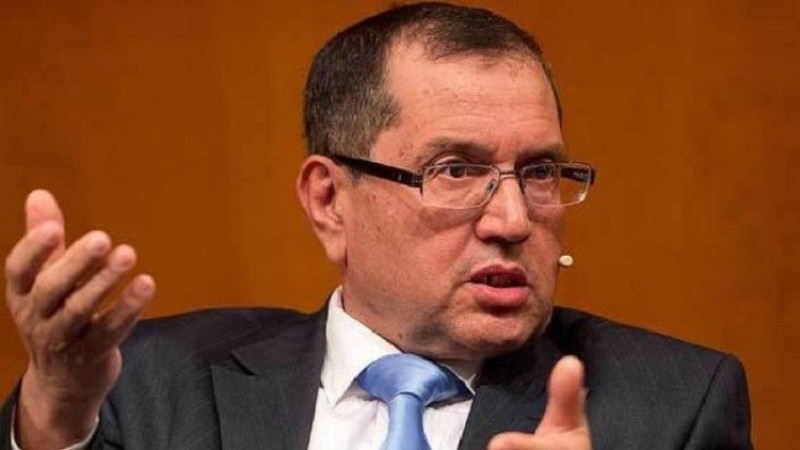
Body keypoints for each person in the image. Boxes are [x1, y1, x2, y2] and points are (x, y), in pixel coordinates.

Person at [2, 2, 751, 449]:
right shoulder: (149, 381)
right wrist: (52, 416)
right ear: (329, 200)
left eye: (539, 172)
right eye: (455, 171)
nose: (514, 219)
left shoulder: (671, 408)